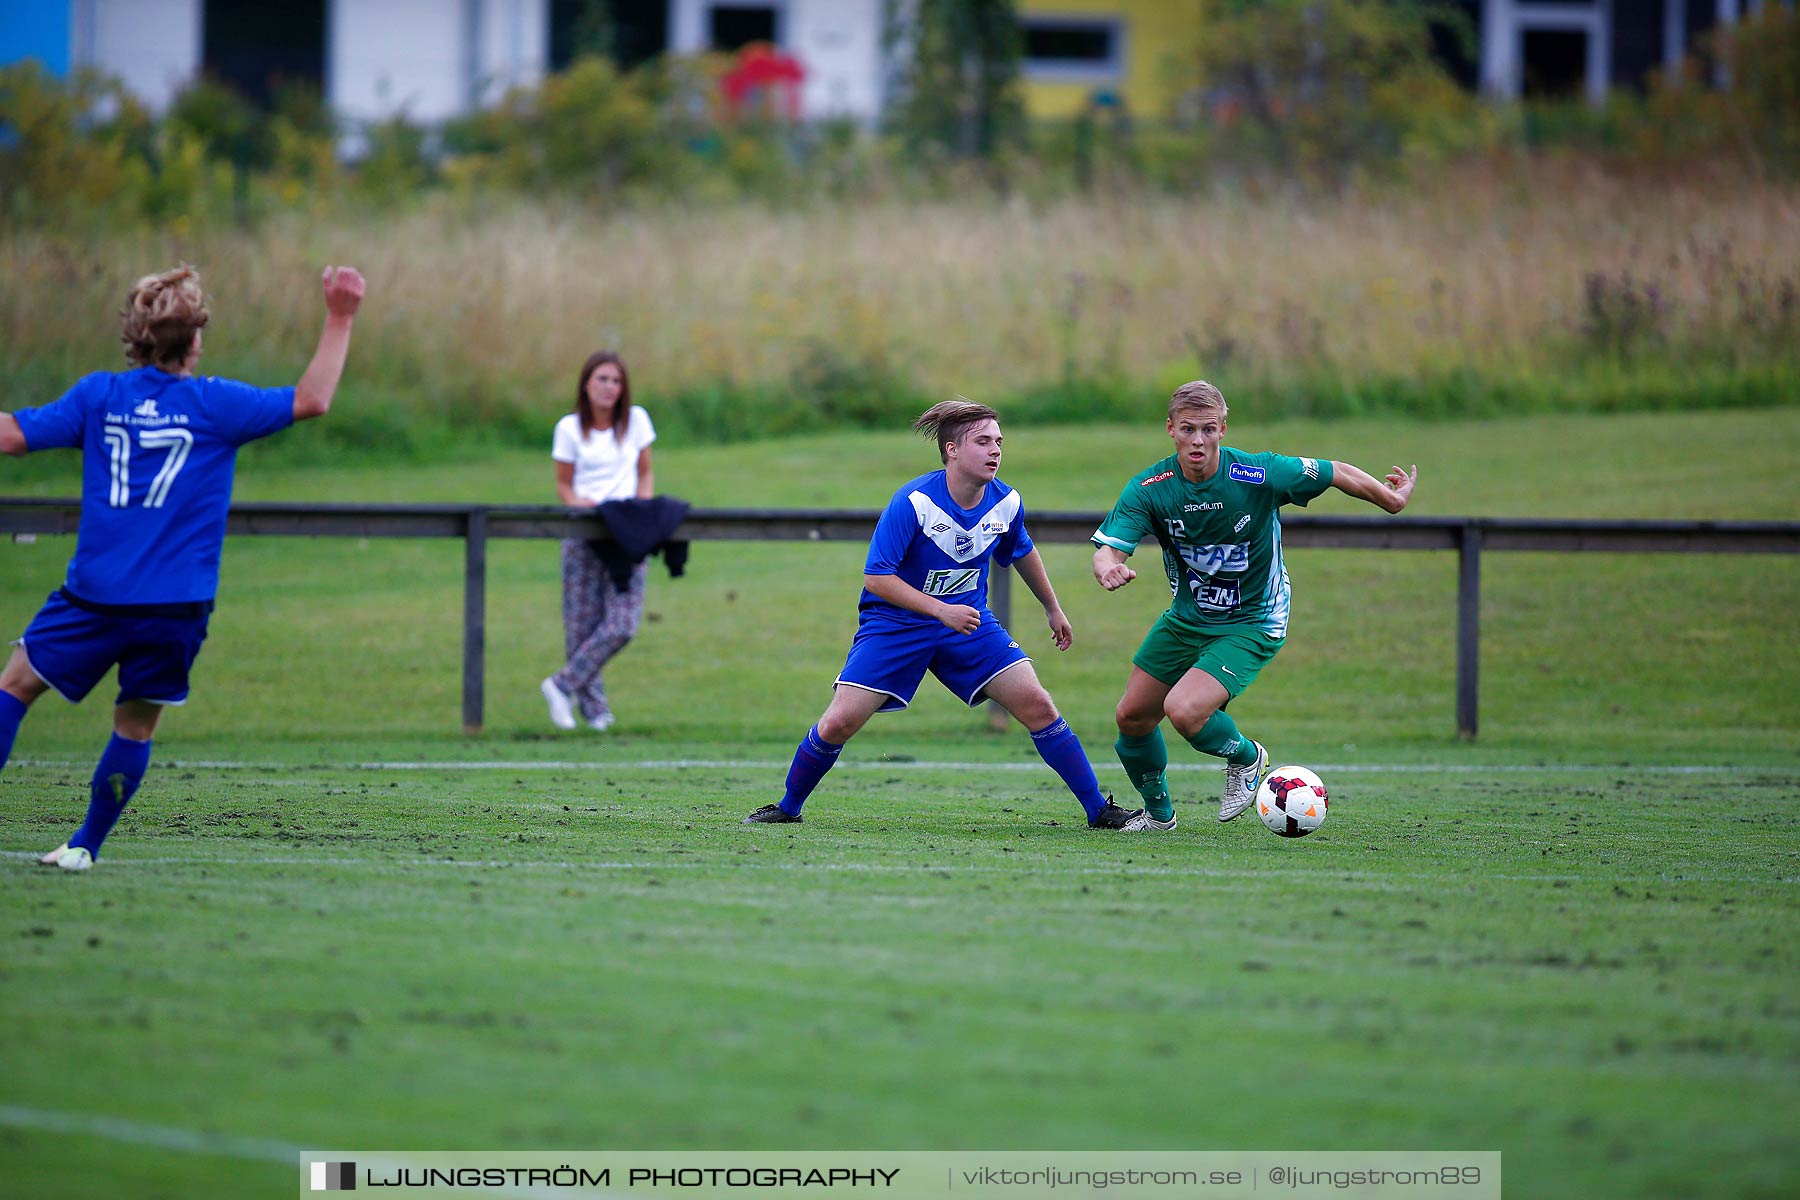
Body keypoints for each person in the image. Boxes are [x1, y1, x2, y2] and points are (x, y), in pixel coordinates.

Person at [0, 263, 366, 871]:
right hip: (175, 605)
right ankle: (86, 845)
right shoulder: (216, 404)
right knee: (135, 726)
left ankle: (83, 844)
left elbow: (11, 436)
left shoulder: (99, 397)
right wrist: (341, 316)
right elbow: (313, 399)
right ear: (194, 340)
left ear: (136, 338)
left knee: (15, 685)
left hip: (95, 595)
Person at [745, 399, 1147, 830]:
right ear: (951, 450)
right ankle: (787, 807)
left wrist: (1053, 608)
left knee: (1038, 705)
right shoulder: (913, 502)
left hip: (968, 624)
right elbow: (876, 578)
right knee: (840, 720)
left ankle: (1098, 811)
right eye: (982, 441)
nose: (995, 450)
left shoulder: (1006, 502)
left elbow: (1022, 551)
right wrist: (941, 611)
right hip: (895, 625)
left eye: (999, 441)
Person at [1090, 380, 1417, 830]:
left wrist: (1391, 499)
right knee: (1131, 717)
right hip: (1189, 619)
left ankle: (1246, 758)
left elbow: (1335, 471)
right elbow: (1108, 548)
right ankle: (1159, 817)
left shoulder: (1259, 473)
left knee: (1184, 711)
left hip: (1254, 619)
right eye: (1188, 429)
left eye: (1208, 429)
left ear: (1223, 428)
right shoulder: (1151, 488)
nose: (1198, 440)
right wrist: (1108, 567)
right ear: (1171, 429)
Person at [541, 351, 656, 732]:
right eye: (602, 379)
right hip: (584, 531)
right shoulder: (569, 428)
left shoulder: (635, 421)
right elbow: (564, 484)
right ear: (586, 384)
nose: (609, 388)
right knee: (581, 624)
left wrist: (639, 511)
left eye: (616, 381)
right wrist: (580, 505)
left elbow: (645, 474)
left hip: (625, 530)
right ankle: (596, 711)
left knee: (623, 623)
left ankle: (561, 684)